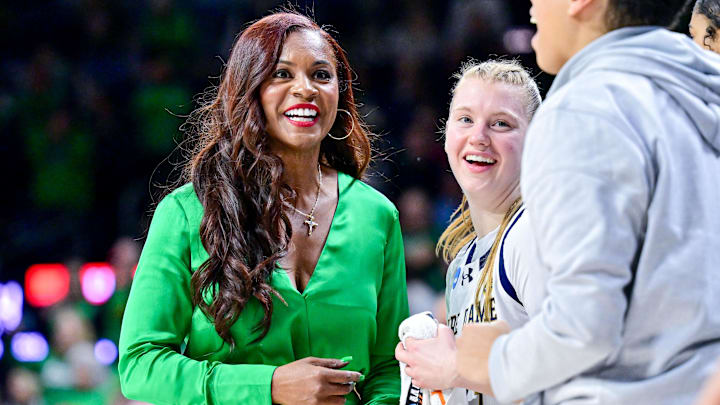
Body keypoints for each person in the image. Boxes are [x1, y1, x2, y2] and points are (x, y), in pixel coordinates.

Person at [409, 0, 720, 404]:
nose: (532, 5)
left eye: (501, 123)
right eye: (464, 119)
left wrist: (463, 365)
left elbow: (585, 329)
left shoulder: (586, 110)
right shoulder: (698, 95)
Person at [118, 12, 408, 405]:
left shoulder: (377, 215)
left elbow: (388, 367)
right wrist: (268, 386)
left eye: (321, 75)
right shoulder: (187, 212)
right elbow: (140, 365)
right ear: (248, 89)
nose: (305, 89)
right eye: (282, 75)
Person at [394, 60, 544, 405]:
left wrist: (455, 368)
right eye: (465, 119)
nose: (478, 137)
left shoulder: (534, 235)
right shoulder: (464, 258)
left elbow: (578, 373)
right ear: (446, 136)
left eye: (501, 124)